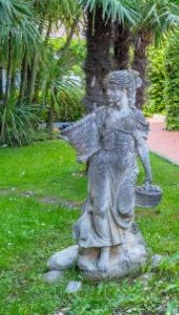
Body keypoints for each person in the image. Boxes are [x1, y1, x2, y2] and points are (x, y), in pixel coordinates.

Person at [62, 70, 152, 273]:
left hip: (126, 168)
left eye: (113, 89)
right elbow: (88, 136)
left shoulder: (135, 117)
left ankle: (120, 242)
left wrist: (149, 173)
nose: (108, 93)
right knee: (100, 208)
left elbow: (141, 146)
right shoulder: (102, 113)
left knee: (124, 210)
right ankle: (104, 248)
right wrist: (74, 136)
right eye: (108, 89)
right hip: (102, 167)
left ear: (124, 90)